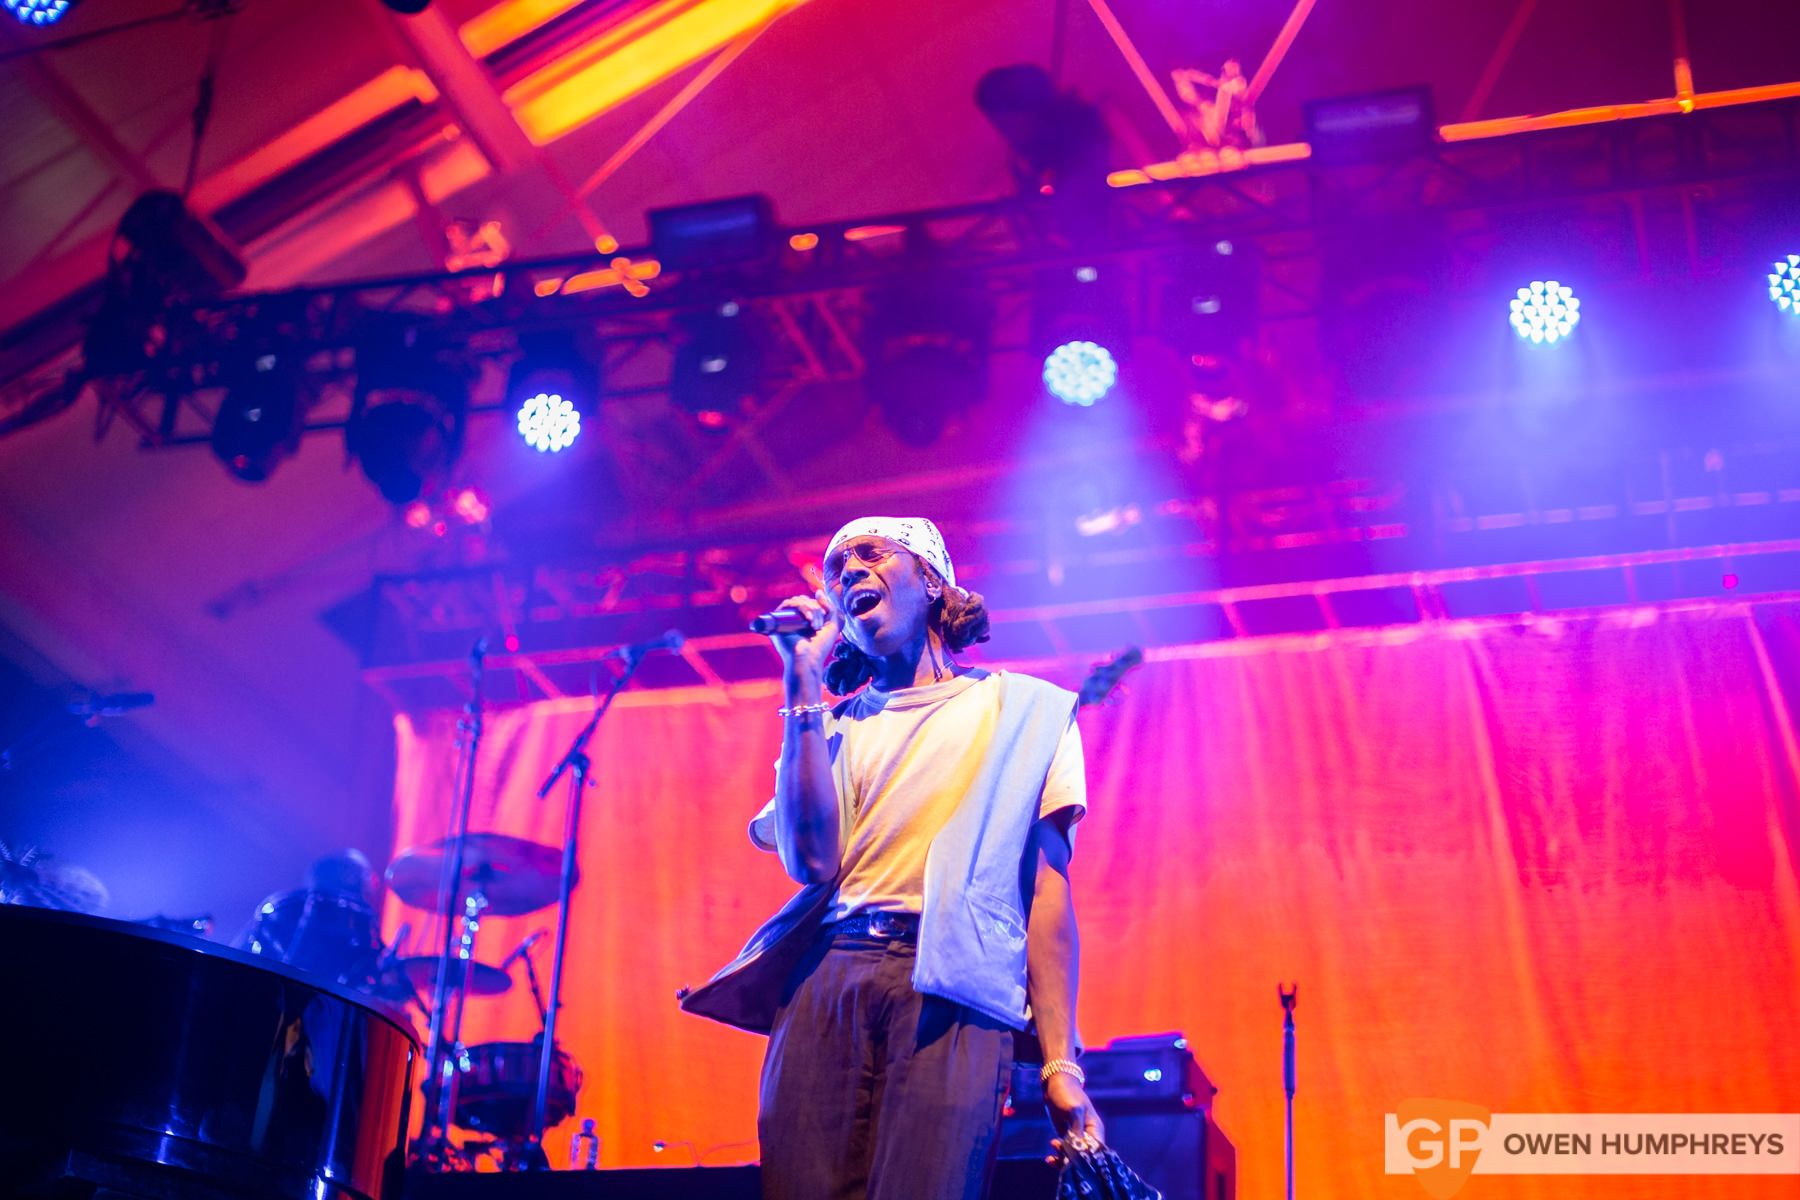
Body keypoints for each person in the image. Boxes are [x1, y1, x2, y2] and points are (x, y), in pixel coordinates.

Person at [681, 516, 1102, 1200]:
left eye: (871, 555)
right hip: (827, 976)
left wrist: (1062, 1064)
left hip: (954, 987)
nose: (848, 572)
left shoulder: (1029, 712)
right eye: (835, 568)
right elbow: (810, 862)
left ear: (933, 581)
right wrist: (802, 682)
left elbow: (1047, 896)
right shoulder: (834, 725)